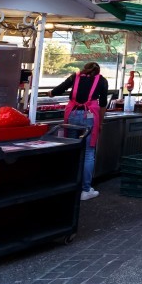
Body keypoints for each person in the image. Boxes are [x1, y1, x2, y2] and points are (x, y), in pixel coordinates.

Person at [51, 62, 109, 201]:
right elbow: (103, 104)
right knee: (89, 153)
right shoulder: (102, 80)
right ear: (98, 71)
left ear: (84, 69)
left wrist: (50, 93)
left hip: (72, 115)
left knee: (73, 150)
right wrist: (100, 123)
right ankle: (86, 190)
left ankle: (70, 186)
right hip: (89, 117)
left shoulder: (75, 77)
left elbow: (58, 90)